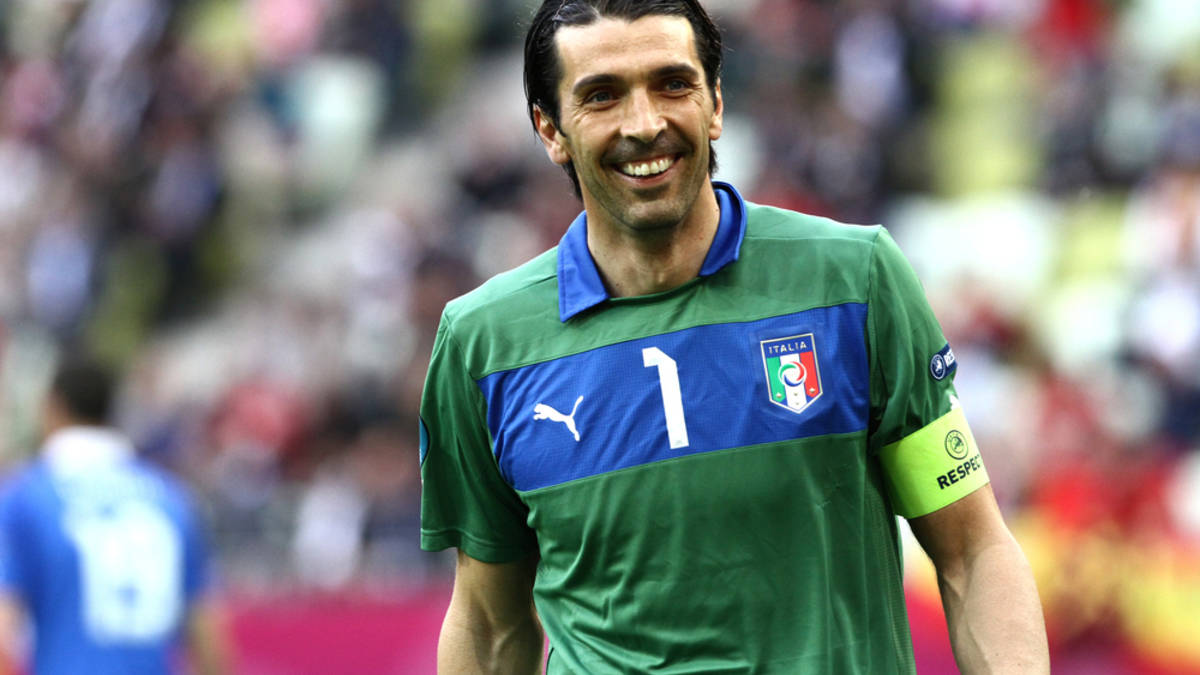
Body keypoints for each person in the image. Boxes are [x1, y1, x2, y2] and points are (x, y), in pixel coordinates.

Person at [418, 0, 1050, 672]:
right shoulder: (484, 344)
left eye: (672, 84)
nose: (645, 123)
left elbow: (971, 550)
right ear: (550, 129)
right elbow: (489, 623)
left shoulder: (853, 281)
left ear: (715, 103)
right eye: (602, 96)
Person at [0, 357, 230, 675]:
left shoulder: (26, 497)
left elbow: (4, 624)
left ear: (52, 406)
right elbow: (208, 638)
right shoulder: (170, 498)